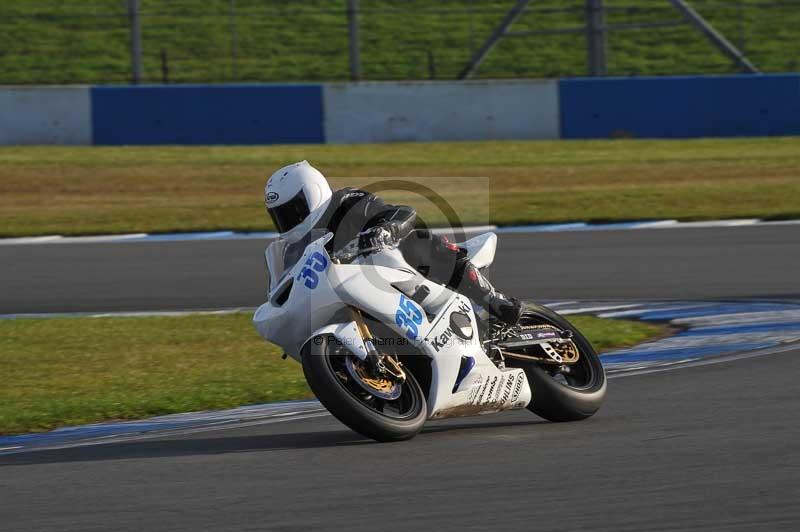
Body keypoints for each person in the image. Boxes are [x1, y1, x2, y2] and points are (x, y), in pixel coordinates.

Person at [264, 160, 523, 325]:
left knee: (418, 240)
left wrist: (386, 230)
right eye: (280, 217)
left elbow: (401, 212)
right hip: (356, 295)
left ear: (313, 193)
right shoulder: (293, 250)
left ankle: (492, 299)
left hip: (395, 268)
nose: (287, 222)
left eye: (292, 212)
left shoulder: (348, 202)